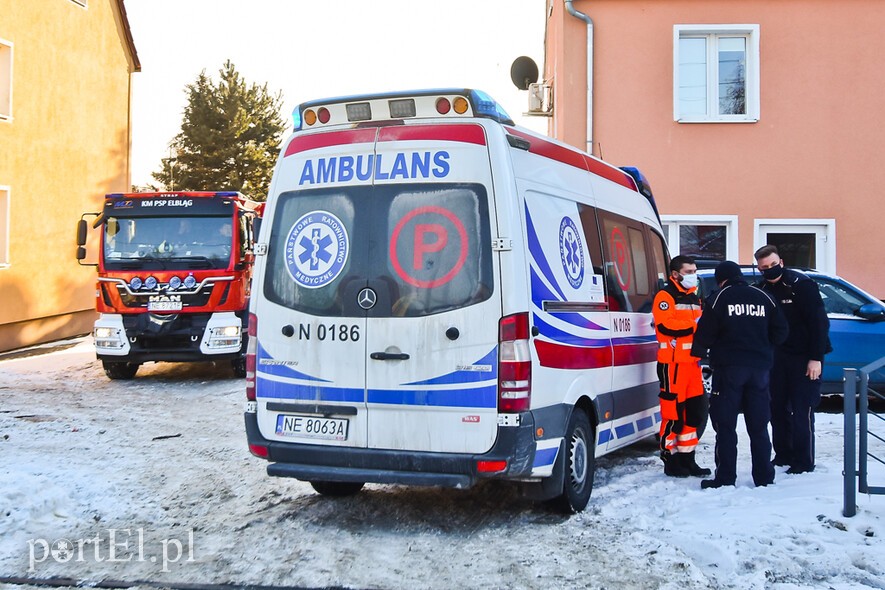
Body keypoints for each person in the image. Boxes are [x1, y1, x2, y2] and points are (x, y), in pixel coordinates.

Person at [691, 261, 789, 489]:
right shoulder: (764, 297)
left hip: (729, 370)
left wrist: (703, 351)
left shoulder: (719, 298)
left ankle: (725, 477)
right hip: (760, 370)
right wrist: (763, 346)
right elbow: (781, 332)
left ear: (721, 280)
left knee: (725, 426)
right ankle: (764, 477)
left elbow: (704, 335)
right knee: (759, 426)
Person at [754, 245, 830, 474]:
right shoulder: (761, 290)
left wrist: (815, 358)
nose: (770, 269)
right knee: (776, 408)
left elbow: (819, 323)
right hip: (776, 358)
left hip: (805, 357)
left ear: (781, 262)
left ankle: (803, 461)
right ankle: (783, 454)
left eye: (773, 264)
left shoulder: (801, 285)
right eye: (764, 267)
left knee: (801, 409)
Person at [652, 255, 710, 477]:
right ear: (675, 274)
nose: (693, 275)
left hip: (692, 364)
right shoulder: (665, 296)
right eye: (689, 272)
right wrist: (694, 326)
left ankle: (688, 458)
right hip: (672, 364)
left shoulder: (693, 297)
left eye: (695, 271)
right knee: (672, 414)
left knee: (693, 414)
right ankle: (671, 459)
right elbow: (665, 325)